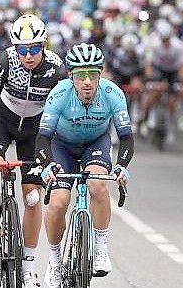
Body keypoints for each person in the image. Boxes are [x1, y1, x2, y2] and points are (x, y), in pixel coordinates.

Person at [0, 14, 64, 288]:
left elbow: (61, 114)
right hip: (3, 122)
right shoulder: (6, 61)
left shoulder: (57, 69)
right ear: (15, 48)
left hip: (34, 129)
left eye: (34, 48)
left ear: (44, 45)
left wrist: (54, 156)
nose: (28, 55)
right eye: (22, 49)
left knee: (32, 198)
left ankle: (29, 267)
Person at [36, 43, 133, 287]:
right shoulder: (59, 94)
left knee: (98, 185)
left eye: (93, 74)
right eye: (81, 75)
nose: (87, 81)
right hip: (62, 146)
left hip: (95, 144)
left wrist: (121, 166)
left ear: (101, 75)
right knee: (58, 203)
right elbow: (43, 137)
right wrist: (47, 164)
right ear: (71, 76)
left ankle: (100, 249)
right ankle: (55, 260)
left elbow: (126, 137)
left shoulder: (113, 94)